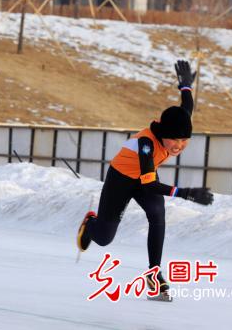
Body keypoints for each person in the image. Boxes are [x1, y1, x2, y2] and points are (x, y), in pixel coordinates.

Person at [77, 59, 214, 299]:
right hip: (121, 179)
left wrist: (185, 85)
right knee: (104, 239)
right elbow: (150, 184)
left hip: (145, 176)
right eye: (174, 140)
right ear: (163, 134)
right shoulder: (146, 143)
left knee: (157, 215)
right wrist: (187, 192)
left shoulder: (180, 123)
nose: (179, 146)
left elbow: (187, 105)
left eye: (184, 141)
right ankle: (91, 224)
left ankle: (154, 274)